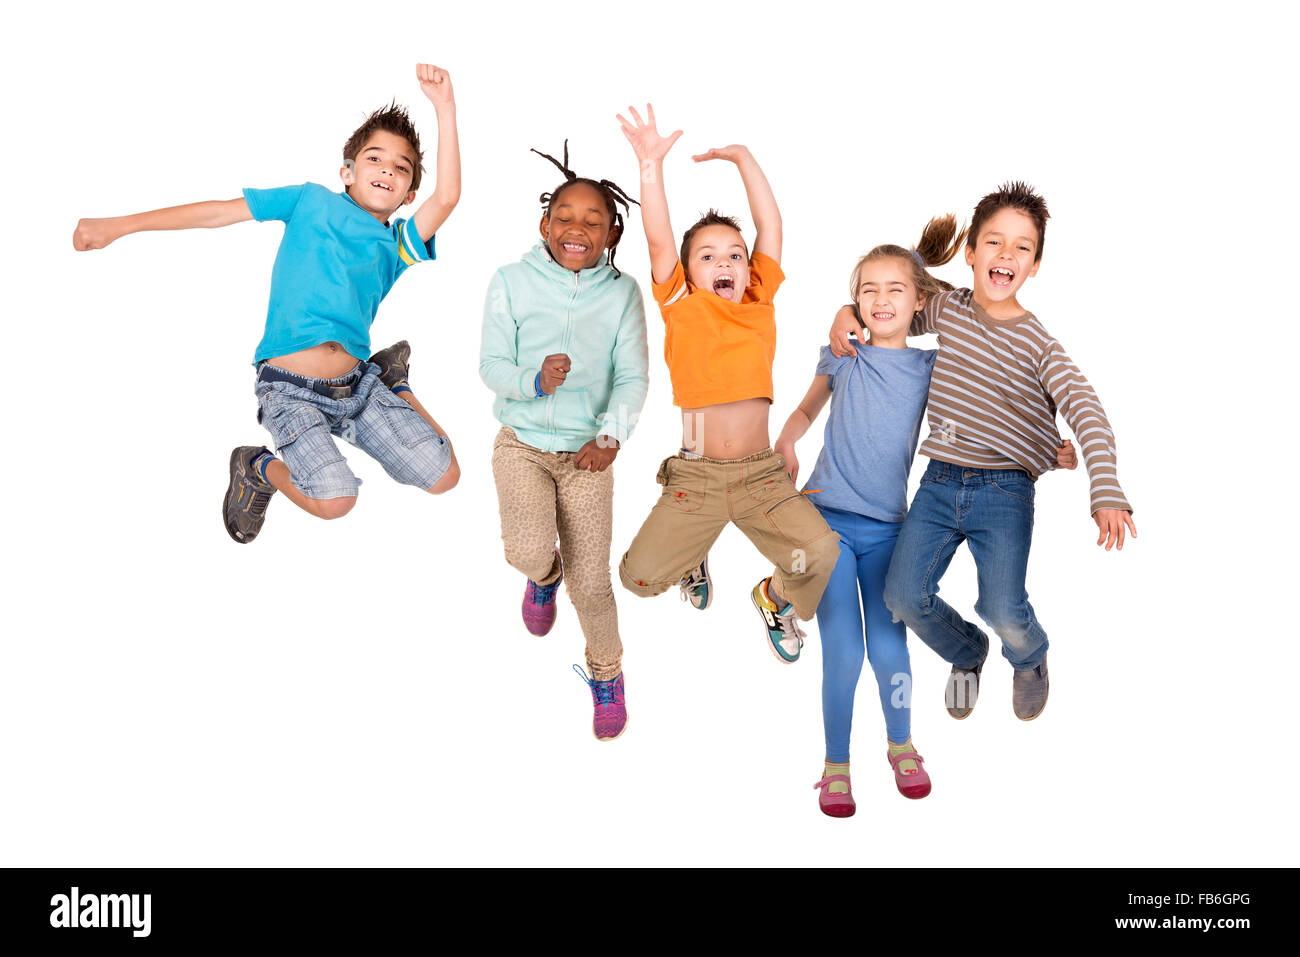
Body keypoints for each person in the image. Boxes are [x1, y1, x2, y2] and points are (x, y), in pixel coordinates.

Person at [73, 65, 462, 543]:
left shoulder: (399, 243)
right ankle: (256, 467)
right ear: (348, 171)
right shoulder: (309, 200)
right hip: (290, 388)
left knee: (446, 476)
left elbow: (448, 196)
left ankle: (393, 384)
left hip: (356, 386)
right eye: (375, 158)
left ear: (409, 194)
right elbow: (218, 212)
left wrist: (444, 107)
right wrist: (119, 226)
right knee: (335, 501)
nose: (387, 170)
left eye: (401, 168)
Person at [790, 218, 1078, 817]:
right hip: (825, 522)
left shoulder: (930, 367)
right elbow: (806, 408)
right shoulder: (844, 353)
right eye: (867, 290)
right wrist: (787, 441)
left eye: (896, 290)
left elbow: (990, 393)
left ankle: (902, 745)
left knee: (891, 647)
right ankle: (835, 763)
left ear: (920, 300)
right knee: (842, 651)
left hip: (889, 528)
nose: (879, 300)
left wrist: (1045, 444)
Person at [828, 182, 1135, 722]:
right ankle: (967, 652)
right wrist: (846, 311)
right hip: (939, 482)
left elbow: (1085, 406)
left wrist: (1104, 486)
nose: (1006, 255)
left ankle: (1030, 656)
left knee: (1001, 607)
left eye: (1022, 247)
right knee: (901, 598)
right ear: (971, 253)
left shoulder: (1039, 344)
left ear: (1034, 265)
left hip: (1004, 492)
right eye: (994, 242)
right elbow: (890, 309)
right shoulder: (948, 309)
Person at [615, 104, 839, 664]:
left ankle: (774, 596)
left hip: (762, 472)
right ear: (688, 273)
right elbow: (660, 237)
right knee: (636, 579)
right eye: (709, 255)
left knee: (819, 551)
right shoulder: (681, 307)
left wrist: (743, 158)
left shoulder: (760, 300)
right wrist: (649, 164)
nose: (726, 262)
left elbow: (773, 227)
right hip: (698, 474)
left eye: (735, 256)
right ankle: (693, 551)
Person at [478, 142, 648, 741]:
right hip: (522, 443)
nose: (577, 229)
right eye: (566, 218)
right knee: (523, 551)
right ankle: (541, 576)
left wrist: (612, 436)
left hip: (587, 456)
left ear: (610, 233)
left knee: (594, 582)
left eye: (593, 222)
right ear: (545, 224)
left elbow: (632, 375)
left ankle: (607, 675)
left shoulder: (623, 294)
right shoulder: (510, 281)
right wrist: (531, 380)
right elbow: (491, 364)